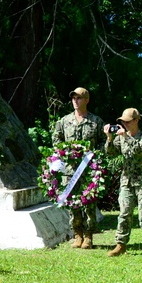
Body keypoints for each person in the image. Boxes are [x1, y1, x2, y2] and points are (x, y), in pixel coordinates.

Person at [52, 87, 106, 249]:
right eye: (73, 98)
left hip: (89, 170)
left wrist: (96, 155)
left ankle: (89, 236)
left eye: (79, 98)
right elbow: (56, 140)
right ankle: (77, 235)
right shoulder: (64, 121)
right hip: (70, 171)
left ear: (86, 100)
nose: (75, 101)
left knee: (89, 203)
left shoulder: (96, 122)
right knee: (73, 204)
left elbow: (104, 142)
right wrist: (64, 152)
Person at [104, 108, 142, 256]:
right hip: (127, 181)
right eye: (122, 122)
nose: (124, 124)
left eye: (127, 122)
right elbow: (111, 153)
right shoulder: (120, 137)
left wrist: (126, 137)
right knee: (124, 213)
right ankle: (120, 245)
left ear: (136, 120)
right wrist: (109, 138)